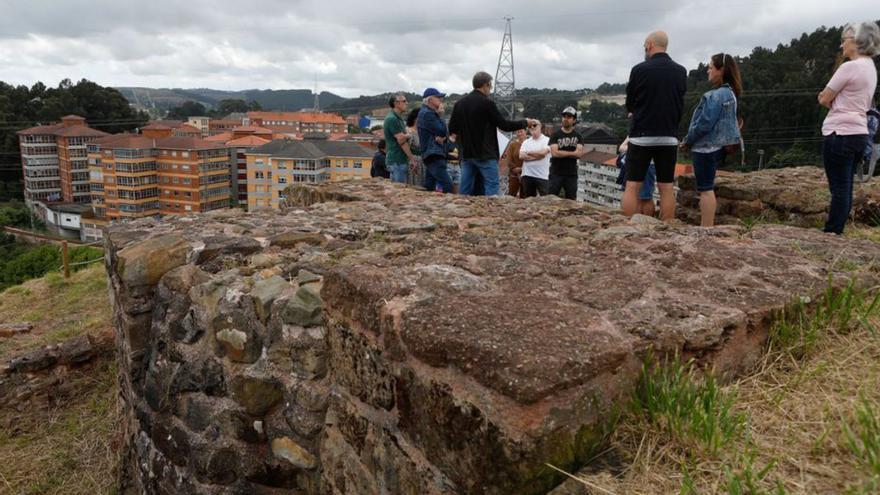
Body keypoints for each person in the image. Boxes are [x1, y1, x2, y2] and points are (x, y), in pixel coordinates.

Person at [817, 21, 880, 234]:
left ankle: (833, 231)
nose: (842, 45)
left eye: (844, 41)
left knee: (839, 188)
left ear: (856, 41)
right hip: (859, 133)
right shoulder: (870, 68)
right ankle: (837, 229)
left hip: (840, 132)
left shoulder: (850, 67)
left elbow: (825, 98)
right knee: (846, 185)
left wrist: (831, 100)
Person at [622, 31, 687, 221]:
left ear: (650, 45)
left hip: (641, 135)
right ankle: (667, 227)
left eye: (645, 46)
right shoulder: (681, 71)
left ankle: (626, 226)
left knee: (632, 185)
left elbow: (631, 102)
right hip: (668, 136)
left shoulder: (639, 70)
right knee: (666, 187)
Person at [448, 71, 537, 196]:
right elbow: (504, 125)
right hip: (486, 154)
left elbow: (452, 128)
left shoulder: (459, 104)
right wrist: (524, 123)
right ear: (485, 85)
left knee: (465, 190)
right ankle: (488, 214)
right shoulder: (487, 103)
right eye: (490, 86)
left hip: (467, 154)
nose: (490, 89)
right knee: (491, 189)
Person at [680, 53, 743, 227]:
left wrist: (687, 141)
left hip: (705, 148)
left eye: (710, 67)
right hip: (720, 147)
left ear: (721, 70)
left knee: (706, 190)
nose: (707, 70)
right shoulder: (731, 94)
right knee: (708, 187)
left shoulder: (714, 96)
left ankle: (706, 228)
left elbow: (704, 124)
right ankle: (706, 227)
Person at [417, 88, 454, 193]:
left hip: (431, 153)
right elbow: (442, 131)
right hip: (434, 153)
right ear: (430, 100)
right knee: (448, 185)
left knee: (429, 186)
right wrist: (441, 116)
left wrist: (442, 136)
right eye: (438, 97)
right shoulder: (428, 114)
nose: (441, 99)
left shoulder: (427, 113)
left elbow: (443, 134)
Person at [548, 107, 584, 200]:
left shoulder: (578, 136)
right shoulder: (555, 135)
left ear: (574, 120)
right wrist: (572, 153)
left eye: (569, 117)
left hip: (571, 174)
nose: (565, 119)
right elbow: (554, 153)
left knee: (571, 201)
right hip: (556, 172)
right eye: (564, 116)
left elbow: (579, 154)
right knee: (551, 199)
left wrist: (562, 152)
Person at [617, 137, 656, 216]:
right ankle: (648, 220)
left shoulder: (639, 127)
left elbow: (622, 148)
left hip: (637, 163)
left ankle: (635, 220)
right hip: (651, 164)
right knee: (647, 196)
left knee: (637, 196)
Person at [383, 93, 417, 184]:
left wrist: (405, 135)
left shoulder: (398, 118)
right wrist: (412, 158)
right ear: (396, 103)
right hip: (397, 161)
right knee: (399, 191)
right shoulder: (392, 119)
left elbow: (402, 137)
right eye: (404, 101)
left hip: (398, 160)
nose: (407, 103)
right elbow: (401, 141)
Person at [518, 121, 551, 198]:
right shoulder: (526, 142)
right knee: (528, 201)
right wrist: (537, 156)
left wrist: (528, 153)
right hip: (527, 175)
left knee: (546, 200)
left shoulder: (547, 140)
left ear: (540, 126)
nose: (532, 127)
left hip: (542, 175)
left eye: (534, 125)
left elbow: (543, 153)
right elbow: (521, 156)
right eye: (529, 126)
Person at [406, 107, 425, 187]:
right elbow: (407, 147)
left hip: (423, 162)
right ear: (415, 118)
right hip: (413, 161)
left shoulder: (423, 131)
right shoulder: (409, 131)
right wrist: (412, 161)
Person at [505, 129, 527, 196]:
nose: (519, 133)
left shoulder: (529, 144)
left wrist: (522, 169)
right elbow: (509, 159)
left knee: (525, 196)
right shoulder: (512, 145)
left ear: (526, 132)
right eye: (518, 132)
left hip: (526, 174)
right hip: (514, 174)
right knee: (511, 194)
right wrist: (515, 168)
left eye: (521, 131)